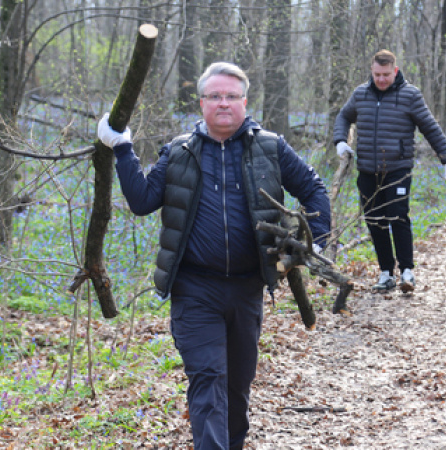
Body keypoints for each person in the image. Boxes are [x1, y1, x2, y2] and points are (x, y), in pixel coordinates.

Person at [97, 61, 331, 450]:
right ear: (201, 103)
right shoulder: (179, 152)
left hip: (247, 288)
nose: (223, 103)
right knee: (207, 378)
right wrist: (122, 148)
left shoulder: (271, 148)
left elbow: (313, 189)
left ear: (244, 101)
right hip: (194, 288)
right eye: (214, 96)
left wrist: (313, 242)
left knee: (237, 387)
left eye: (231, 96)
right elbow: (141, 201)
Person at [332, 49, 446, 293]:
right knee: (375, 221)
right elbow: (343, 116)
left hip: (398, 169)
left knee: (398, 217)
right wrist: (340, 140)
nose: (381, 79)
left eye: (386, 75)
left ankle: (407, 272)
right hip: (368, 170)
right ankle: (385, 273)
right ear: (371, 72)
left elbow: (430, 128)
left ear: (395, 71)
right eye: (377, 74)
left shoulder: (410, 95)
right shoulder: (360, 94)